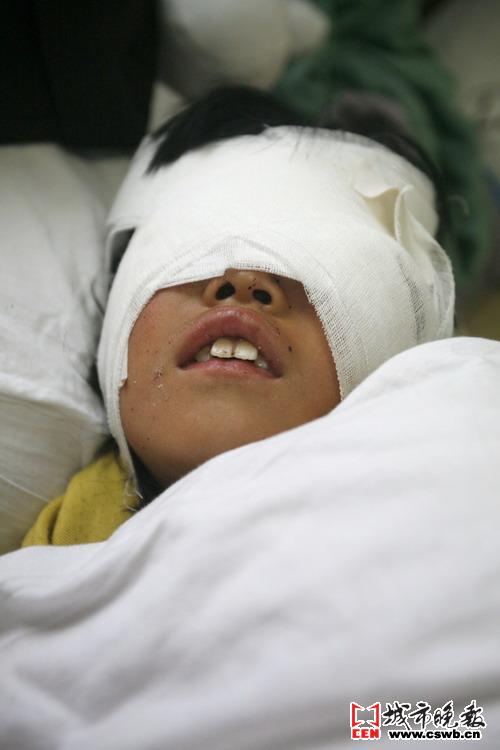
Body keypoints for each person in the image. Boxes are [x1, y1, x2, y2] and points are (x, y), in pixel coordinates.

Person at [22, 86, 455, 547]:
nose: (245, 280)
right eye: (195, 247)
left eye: (313, 260)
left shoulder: (434, 532)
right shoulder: (59, 550)